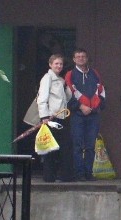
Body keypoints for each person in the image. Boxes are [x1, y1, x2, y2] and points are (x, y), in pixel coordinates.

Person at [65, 48, 106, 181]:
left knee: (90, 146)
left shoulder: (94, 73)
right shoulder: (70, 75)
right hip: (77, 115)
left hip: (93, 116)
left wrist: (96, 108)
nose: (81, 58)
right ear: (74, 59)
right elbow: (67, 95)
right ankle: (79, 173)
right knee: (77, 145)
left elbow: (101, 92)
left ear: (87, 58)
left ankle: (89, 173)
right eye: (78, 56)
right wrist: (80, 106)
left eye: (83, 56)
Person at [36, 53, 74, 182]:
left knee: (64, 147)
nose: (59, 66)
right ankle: (49, 177)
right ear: (50, 64)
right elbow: (42, 99)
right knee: (50, 148)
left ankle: (65, 175)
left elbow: (66, 99)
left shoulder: (61, 80)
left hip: (62, 117)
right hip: (51, 118)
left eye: (61, 64)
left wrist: (68, 88)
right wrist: (44, 117)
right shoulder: (47, 78)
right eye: (56, 63)